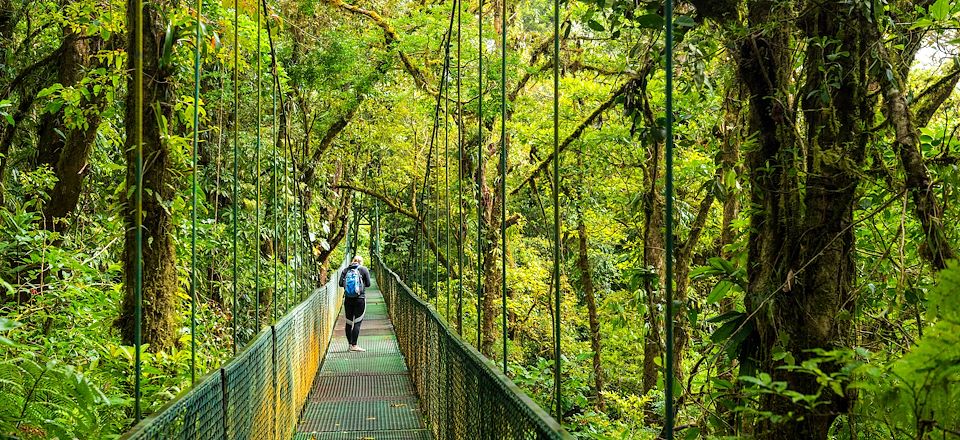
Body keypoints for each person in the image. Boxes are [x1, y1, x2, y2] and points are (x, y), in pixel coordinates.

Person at [338, 256, 371, 352]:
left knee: (348, 322)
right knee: (357, 322)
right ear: (361, 262)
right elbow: (368, 284)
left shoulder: (345, 270)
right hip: (360, 299)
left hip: (348, 300)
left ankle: (349, 345)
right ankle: (354, 345)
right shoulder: (363, 269)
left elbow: (340, 283)